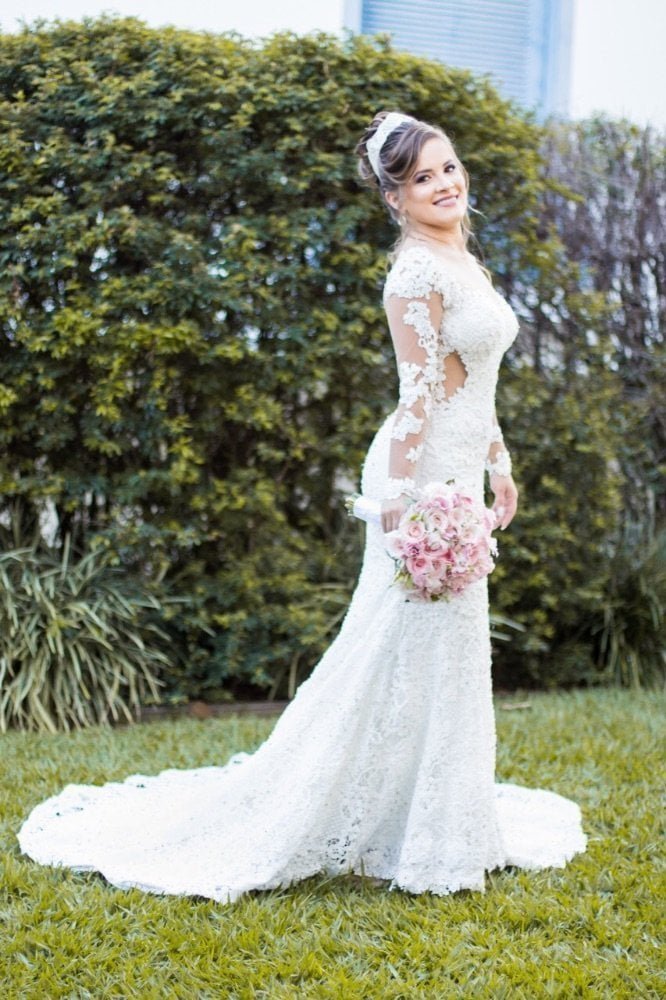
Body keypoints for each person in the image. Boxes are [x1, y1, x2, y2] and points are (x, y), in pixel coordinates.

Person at [18, 111, 587, 903]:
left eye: (449, 168)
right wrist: (399, 506)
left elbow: (474, 381)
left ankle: (435, 819)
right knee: (399, 639)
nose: (443, 185)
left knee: (447, 652)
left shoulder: (462, 258)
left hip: (461, 466)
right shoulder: (412, 275)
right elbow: (418, 396)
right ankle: (373, 818)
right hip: (421, 474)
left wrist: (500, 463)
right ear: (393, 197)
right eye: (422, 178)